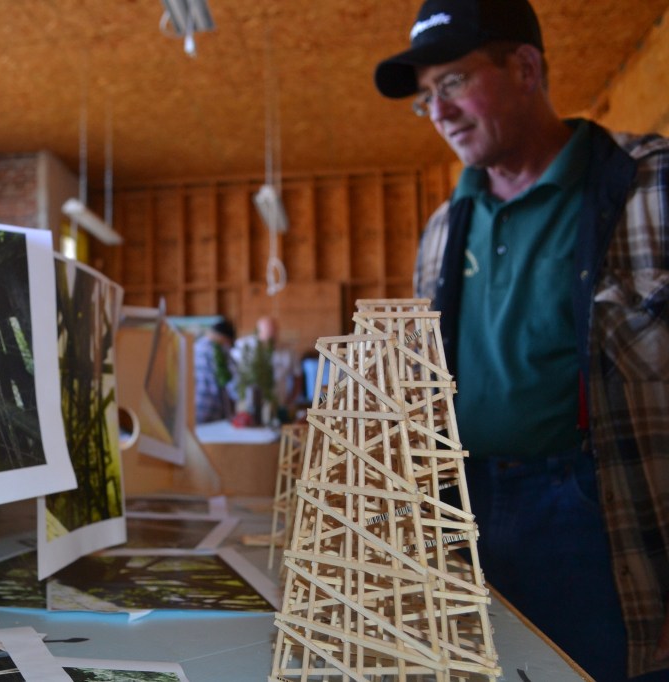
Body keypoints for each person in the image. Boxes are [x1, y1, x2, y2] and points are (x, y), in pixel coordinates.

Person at [374, 0, 668, 679]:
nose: (438, 111)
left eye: (451, 82)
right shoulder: (445, 227)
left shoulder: (649, 184)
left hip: (600, 518)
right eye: (426, 98)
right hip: (464, 514)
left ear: (526, 67)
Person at [231, 316, 302, 421]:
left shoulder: (288, 351)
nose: (271, 339)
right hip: (248, 406)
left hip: (278, 404)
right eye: (267, 335)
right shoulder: (243, 347)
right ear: (258, 332)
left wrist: (290, 401)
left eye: (274, 334)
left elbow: (298, 377)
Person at [192, 318, 237, 424]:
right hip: (213, 412)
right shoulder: (220, 351)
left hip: (193, 410)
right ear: (225, 338)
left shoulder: (194, 347)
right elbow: (233, 384)